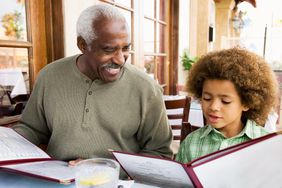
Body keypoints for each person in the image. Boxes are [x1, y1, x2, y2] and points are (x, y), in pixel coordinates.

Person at [13, 4, 173, 163]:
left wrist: (105, 168)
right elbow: (32, 129)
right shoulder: (49, 76)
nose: (120, 59)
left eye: (125, 48)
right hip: (58, 179)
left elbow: (160, 152)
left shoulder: (146, 88)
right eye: (109, 50)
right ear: (83, 45)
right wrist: (7, 142)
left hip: (118, 181)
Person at [176, 47, 278, 163]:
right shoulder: (191, 143)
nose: (213, 107)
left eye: (225, 101)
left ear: (246, 103)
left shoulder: (266, 144)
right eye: (207, 98)